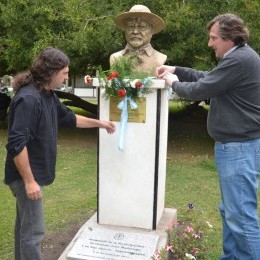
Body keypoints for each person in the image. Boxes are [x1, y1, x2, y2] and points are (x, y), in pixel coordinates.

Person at [156, 13, 260, 259]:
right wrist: (177, 69)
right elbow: (208, 78)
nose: (210, 43)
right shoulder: (238, 58)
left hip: (239, 149)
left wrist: (173, 82)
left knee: (241, 217)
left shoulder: (239, 60)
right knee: (231, 211)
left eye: (214, 38)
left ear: (230, 38)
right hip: (237, 148)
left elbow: (201, 89)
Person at [4, 46, 116, 260]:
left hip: (33, 174)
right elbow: (17, 144)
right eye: (64, 73)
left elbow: (69, 118)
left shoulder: (46, 94)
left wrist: (100, 123)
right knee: (33, 232)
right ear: (51, 72)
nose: (66, 77)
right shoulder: (29, 99)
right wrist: (29, 181)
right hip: (26, 175)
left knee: (24, 228)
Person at [110, 4, 167, 75]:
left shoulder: (160, 58)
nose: (135, 32)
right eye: (131, 26)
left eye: (142, 26)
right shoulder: (115, 58)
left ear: (151, 30)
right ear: (125, 30)